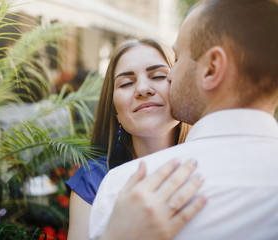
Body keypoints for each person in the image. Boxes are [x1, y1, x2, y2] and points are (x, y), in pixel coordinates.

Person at [89, 0, 278, 239]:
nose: (169, 77)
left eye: (176, 59)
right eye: (126, 82)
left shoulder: (122, 190)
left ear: (211, 68)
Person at [65, 38, 205, 240]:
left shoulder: (209, 163)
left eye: (158, 76)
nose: (142, 89)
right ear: (114, 110)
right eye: (127, 83)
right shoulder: (93, 180)